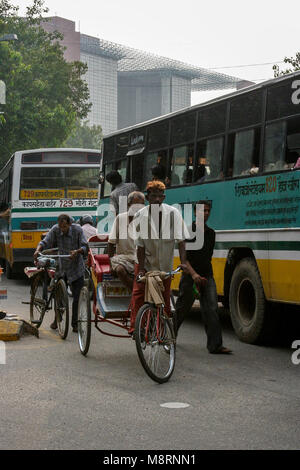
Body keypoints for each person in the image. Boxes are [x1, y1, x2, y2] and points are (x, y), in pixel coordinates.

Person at [129, 180, 188, 335]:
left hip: (164, 265)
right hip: (145, 262)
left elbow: (181, 241)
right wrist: (141, 269)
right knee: (139, 293)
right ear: (147, 198)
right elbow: (140, 246)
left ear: (164, 197)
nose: (156, 199)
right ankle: (135, 327)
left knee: (165, 298)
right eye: (153, 196)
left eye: (159, 196)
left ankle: (162, 331)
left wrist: (183, 263)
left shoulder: (173, 214)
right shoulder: (140, 216)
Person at [175, 200, 232, 354]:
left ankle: (215, 345)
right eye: (202, 211)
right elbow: (184, 259)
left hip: (207, 276)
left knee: (212, 309)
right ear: (195, 213)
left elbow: (208, 256)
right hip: (189, 277)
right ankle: (169, 339)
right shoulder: (187, 231)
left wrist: (203, 276)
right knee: (181, 309)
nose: (205, 213)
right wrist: (194, 275)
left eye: (208, 211)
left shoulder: (211, 233)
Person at [33, 213, 88, 333]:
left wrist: (77, 251)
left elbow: (85, 246)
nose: (62, 229)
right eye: (60, 227)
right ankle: (57, 318)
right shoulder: (55, 229)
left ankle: (75, 324)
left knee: (77, 297)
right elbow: (45, 242)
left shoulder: (77, 230)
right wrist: (38, 250)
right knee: (59, 296)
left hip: (76, 267)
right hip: (62, 266)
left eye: (64, 227)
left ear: (69, 224)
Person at [108, 191, 145, 290]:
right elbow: (111, 243)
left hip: (140, 258)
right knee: (120, 270)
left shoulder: (145, 219)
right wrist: (110, 264)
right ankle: (135, 293)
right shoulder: (120, 218)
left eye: (142, 204)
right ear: (129, 205)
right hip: (123, 258)